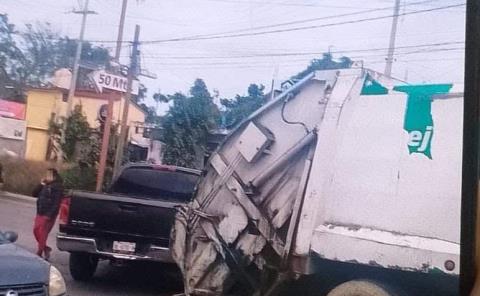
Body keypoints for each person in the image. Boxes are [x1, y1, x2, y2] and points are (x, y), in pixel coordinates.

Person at [32, 168, 64, 260]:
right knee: (36, 230)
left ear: (54, 176)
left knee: (43, 233)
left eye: (49, 175)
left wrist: (50, 214)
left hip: (49, 214)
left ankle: (39, 252)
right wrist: (41, 184)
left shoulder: (58, 187)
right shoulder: (45, 184)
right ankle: (46, 248)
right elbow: (34, 194)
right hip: (40, 211)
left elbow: (57, 203)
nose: (47, 176)